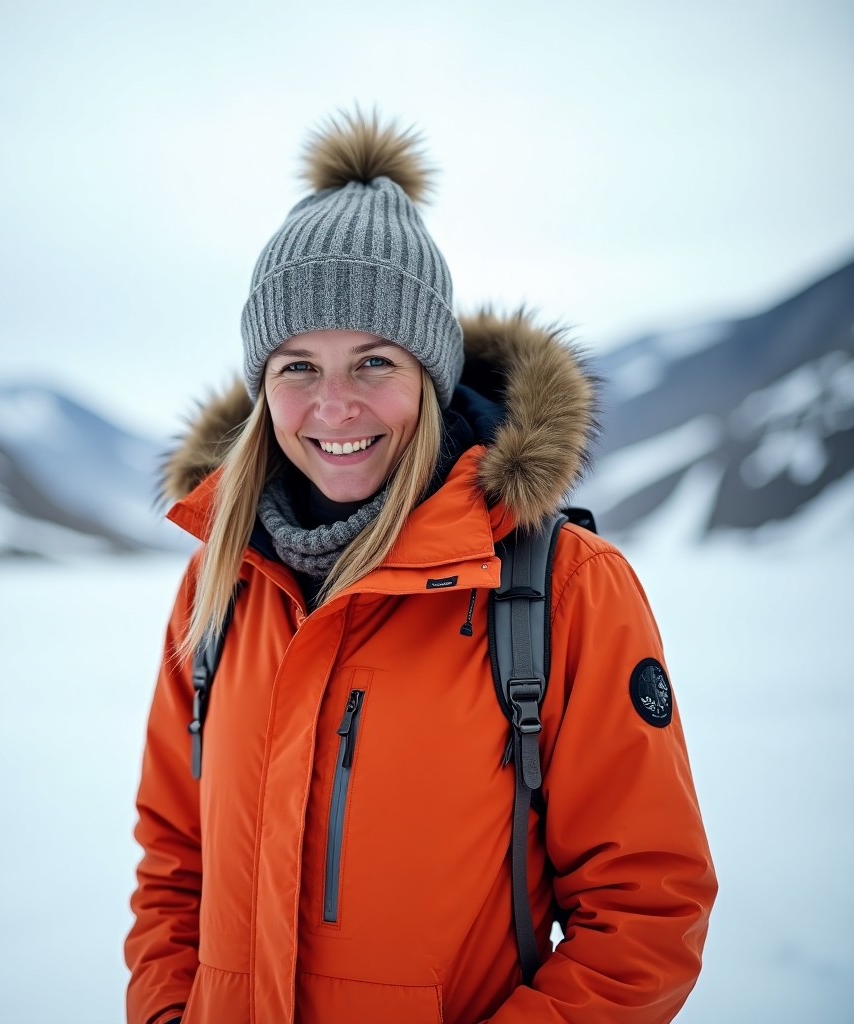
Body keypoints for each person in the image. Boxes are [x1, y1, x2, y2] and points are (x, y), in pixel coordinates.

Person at [125, 110, 716, 1024]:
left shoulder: (561, 588)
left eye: (373, 360)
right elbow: (174, 865)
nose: (334, 406)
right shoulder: (220, 586)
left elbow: (644, 913)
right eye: (295, 366)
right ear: (260, 386)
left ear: (430, 377)